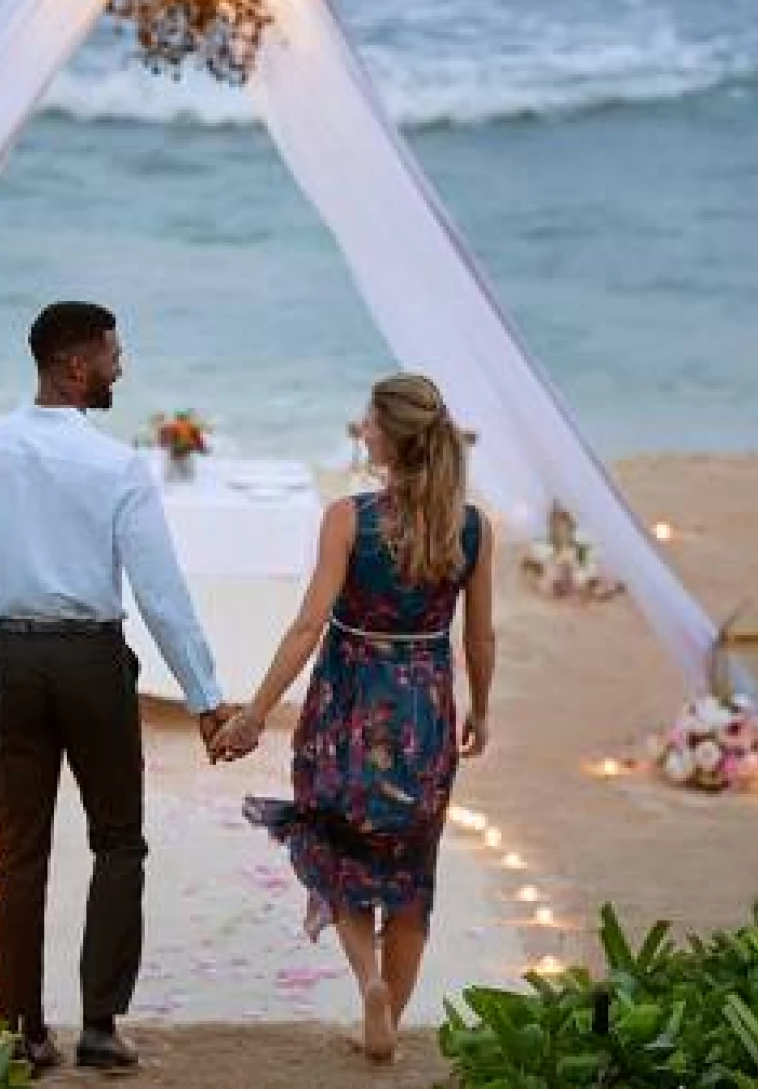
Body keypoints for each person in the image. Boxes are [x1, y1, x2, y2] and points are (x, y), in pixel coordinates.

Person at [0, 300, 247, 1075]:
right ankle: (100, 1026)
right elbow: (161, 594)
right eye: (111, 354)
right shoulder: (115, 466)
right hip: (93, 665)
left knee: (19, 852)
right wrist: (205, 700)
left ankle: (23, 1034)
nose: (120, 367)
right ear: (74, 365)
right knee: (119, 841)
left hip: (16, 667)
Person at [213, 373, 496, 1064]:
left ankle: (368, 981)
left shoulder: (350, 517)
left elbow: (308, 625)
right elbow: (480, 638)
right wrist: (481, 709)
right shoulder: (471, 526)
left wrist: (254, 713)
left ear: (389, 435)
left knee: (337, 845)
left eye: (367, 420)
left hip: (349, 701)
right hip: (424, 706)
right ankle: (389, 1021)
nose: (360, 428)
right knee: (410, 869)